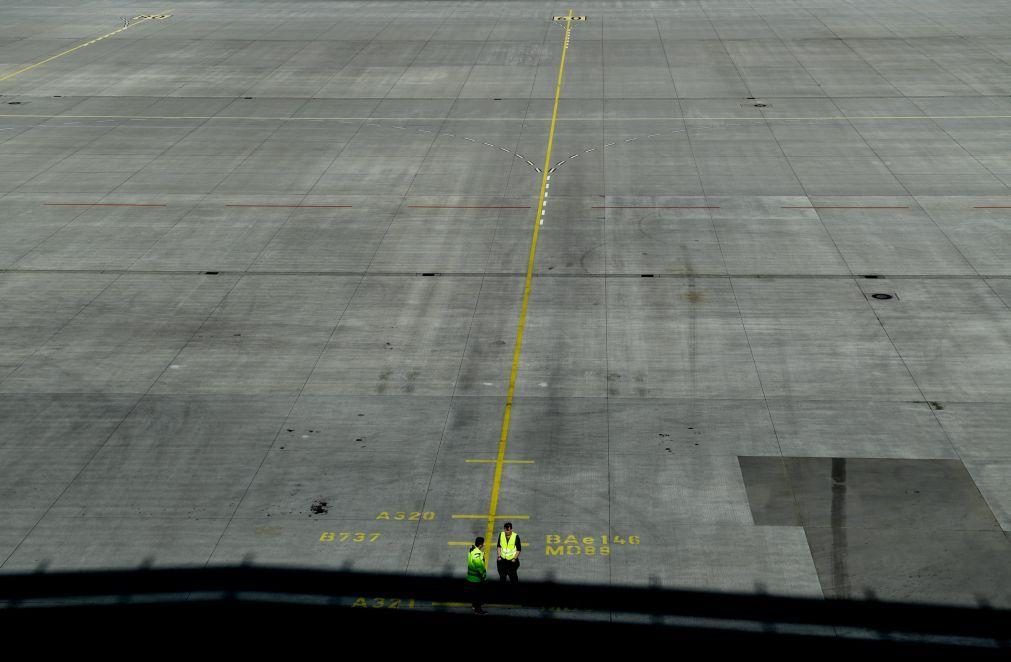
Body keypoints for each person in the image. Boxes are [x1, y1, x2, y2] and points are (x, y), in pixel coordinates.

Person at [465, 536, 488, 614]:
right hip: (476, 578)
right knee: (478, 595)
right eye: (483, 544)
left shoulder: (472, 549)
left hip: (470, 577)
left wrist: (481, 553)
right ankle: (478, 610)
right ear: (480, 545)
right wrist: (484, 576)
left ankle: (474, 606)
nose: (484, 545)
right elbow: (479, 566)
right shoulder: (477, 554)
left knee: (475, 594)